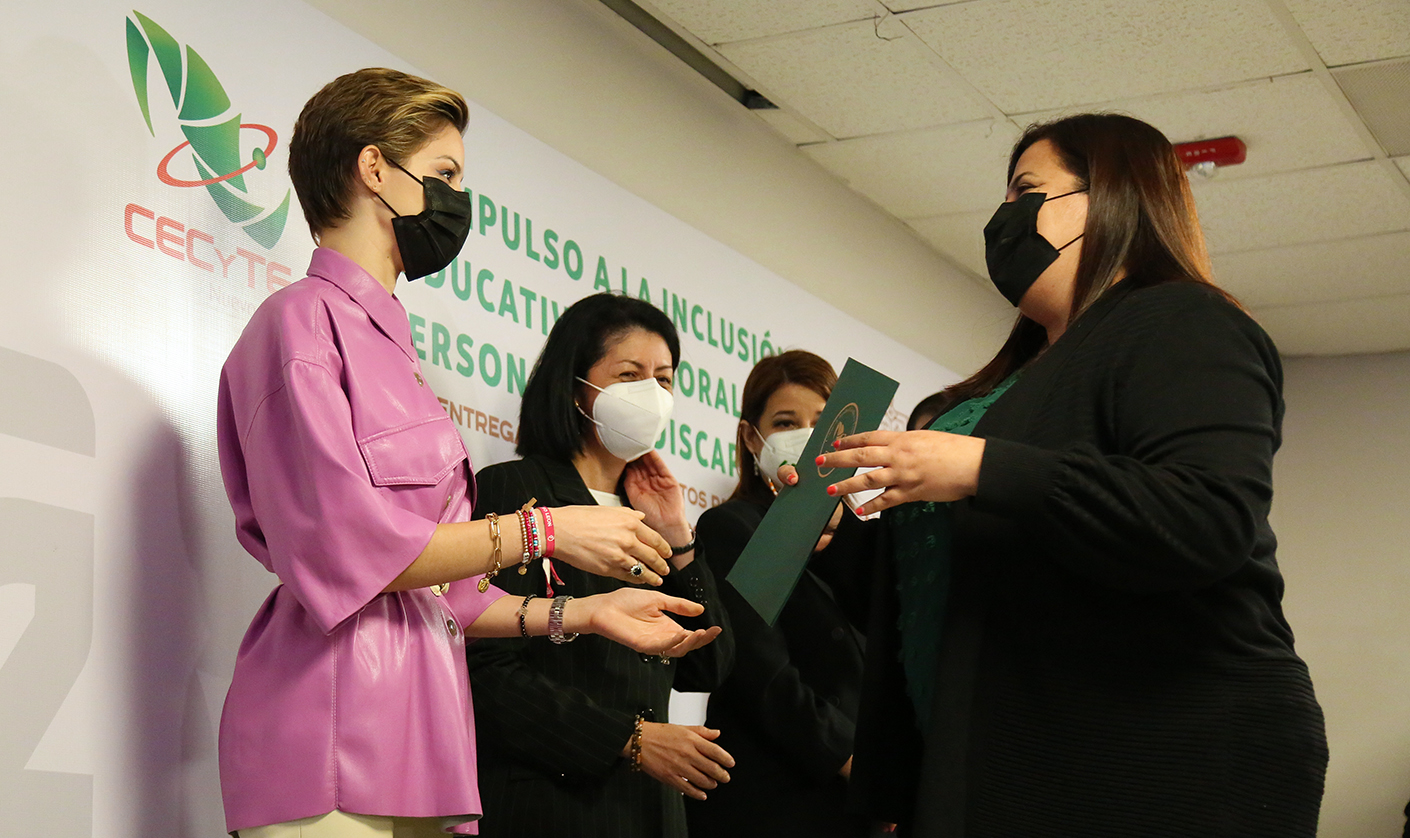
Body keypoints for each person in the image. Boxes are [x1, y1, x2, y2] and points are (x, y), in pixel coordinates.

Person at [215, 69, 716, 838]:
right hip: (329, 740)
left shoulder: (394, 352)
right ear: (374, 168)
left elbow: (450, 596)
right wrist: (546, 531)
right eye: (444, 174)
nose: (457, 199)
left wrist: (592, 612)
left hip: (422, 752)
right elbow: (345, 551)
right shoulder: (301, 324)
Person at [820, 113, 1328, 837]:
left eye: (1027, 191)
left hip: (1157, 755)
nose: (1003, 218)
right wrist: (836, 537)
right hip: (994, 762)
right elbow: (948, 579)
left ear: (1112, 198)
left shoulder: (1185, 320)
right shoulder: (999, 387)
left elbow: (1207, 516)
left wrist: (982, 465)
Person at [466, 293, 735, 838]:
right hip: (550, 806)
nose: (651, 393)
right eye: (630, 374)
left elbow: (710, 665)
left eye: (664, 379)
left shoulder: (647, 517)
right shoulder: (518, 490)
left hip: (649, 813)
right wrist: (627, 739)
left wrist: (678, 539)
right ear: (575, 388)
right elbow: (485, 669)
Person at [683, 350, 873, 838]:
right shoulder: (735, 527)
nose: (807, 436)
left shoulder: (856, 542)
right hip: (772, 800)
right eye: (786, 422)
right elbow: (761, 674)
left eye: (821, 423)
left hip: (855, 807)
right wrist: (856, 762)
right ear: (752, 437)